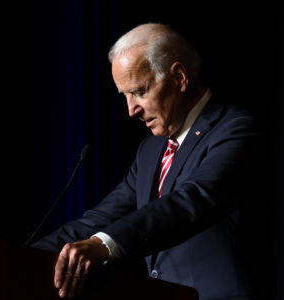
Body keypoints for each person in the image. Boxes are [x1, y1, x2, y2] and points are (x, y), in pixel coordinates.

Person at [32, 23, 258, 300]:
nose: (131, 110)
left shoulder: (235, 128)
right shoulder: (151, 150)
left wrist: (103, 245)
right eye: (125, 95)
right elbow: (99, 220)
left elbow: (192, 199)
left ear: (179, 77)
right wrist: (15, 257)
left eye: (139, 92)